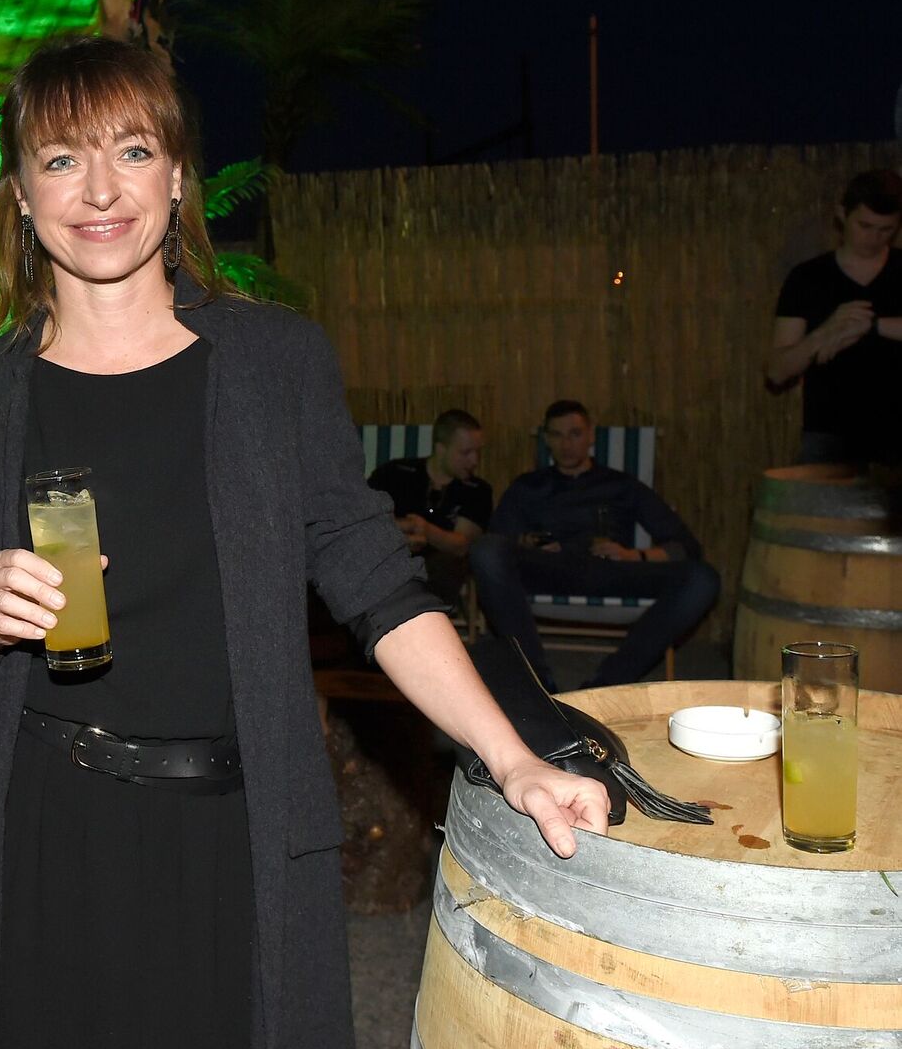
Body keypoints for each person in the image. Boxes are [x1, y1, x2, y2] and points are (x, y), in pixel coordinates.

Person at [0, 35, 609, 1049]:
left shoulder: (273, 365)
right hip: (39, 834)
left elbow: (374, 578)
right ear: (21, 196)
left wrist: (510, 757)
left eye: (132, 151)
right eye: (62, 160)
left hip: (229, 834)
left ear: (177, 175)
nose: (99, 191)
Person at [469, 400, 719, 692]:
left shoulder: (620, 485)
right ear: (546, 439)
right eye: (557, 435)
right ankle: (537, 682)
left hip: (612, 570)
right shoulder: (528, 486)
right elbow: (499, 540)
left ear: (590, 436)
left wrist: (634, 555)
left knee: (703, 578)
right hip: (551, 569)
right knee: (485, 550)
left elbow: (686, 546)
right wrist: (531, 543)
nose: (566, 445)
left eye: (575, 434)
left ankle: (607, 683)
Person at [766, 169, 902, 466]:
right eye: (865, 226)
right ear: (842, 214)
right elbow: (776, 372)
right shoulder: (808, 278)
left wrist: (870, 326)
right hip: (828, 438)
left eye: (886, 229)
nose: (874, 238)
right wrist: (825, 333)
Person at [368, 407, 491, 608]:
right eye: (466, 452)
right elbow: (363, 517)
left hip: (439, 566)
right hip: (386, 555)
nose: (474, 460)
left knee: (445, 565)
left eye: (477, 452)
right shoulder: (396, 473)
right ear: (441, 449)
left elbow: (462, 544)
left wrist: (425, 530)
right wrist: (403, 531)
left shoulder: (477, 490)